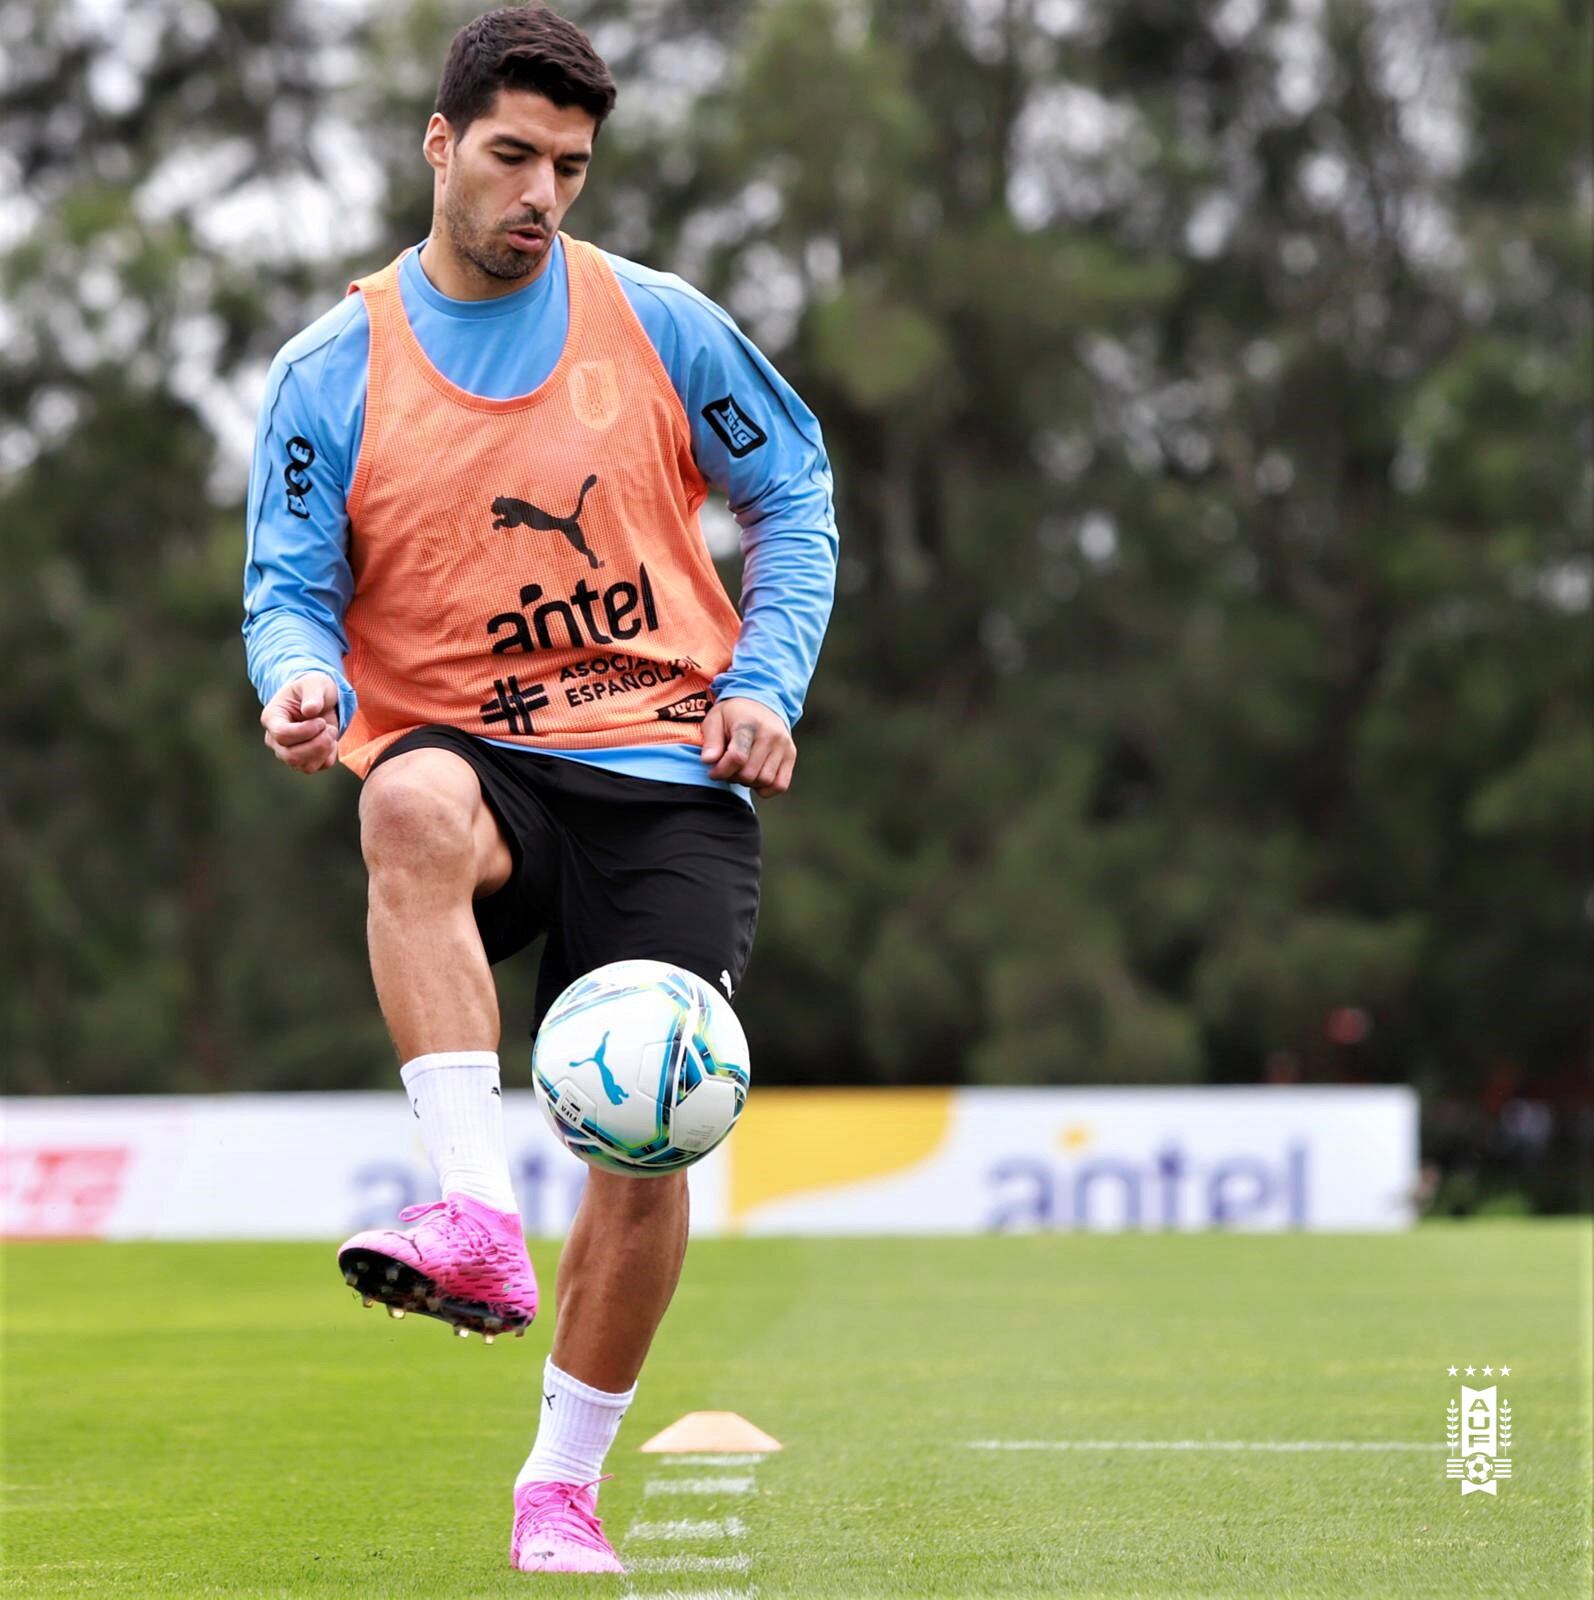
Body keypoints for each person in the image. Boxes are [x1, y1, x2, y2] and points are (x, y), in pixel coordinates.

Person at [241, 4, 836, 1575]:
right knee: (401, 806)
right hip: (475, 763)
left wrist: (766, 685)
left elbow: (794, 481)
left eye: (569, 165)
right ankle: (473, 1216)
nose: (542, 192)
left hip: (662, 772)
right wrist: (296, 682)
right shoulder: (332, 366)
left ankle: (557, 1487)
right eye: (512, 155)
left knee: (652, 1124)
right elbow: (288, 586)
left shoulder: (656, 323)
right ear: (439, 146)